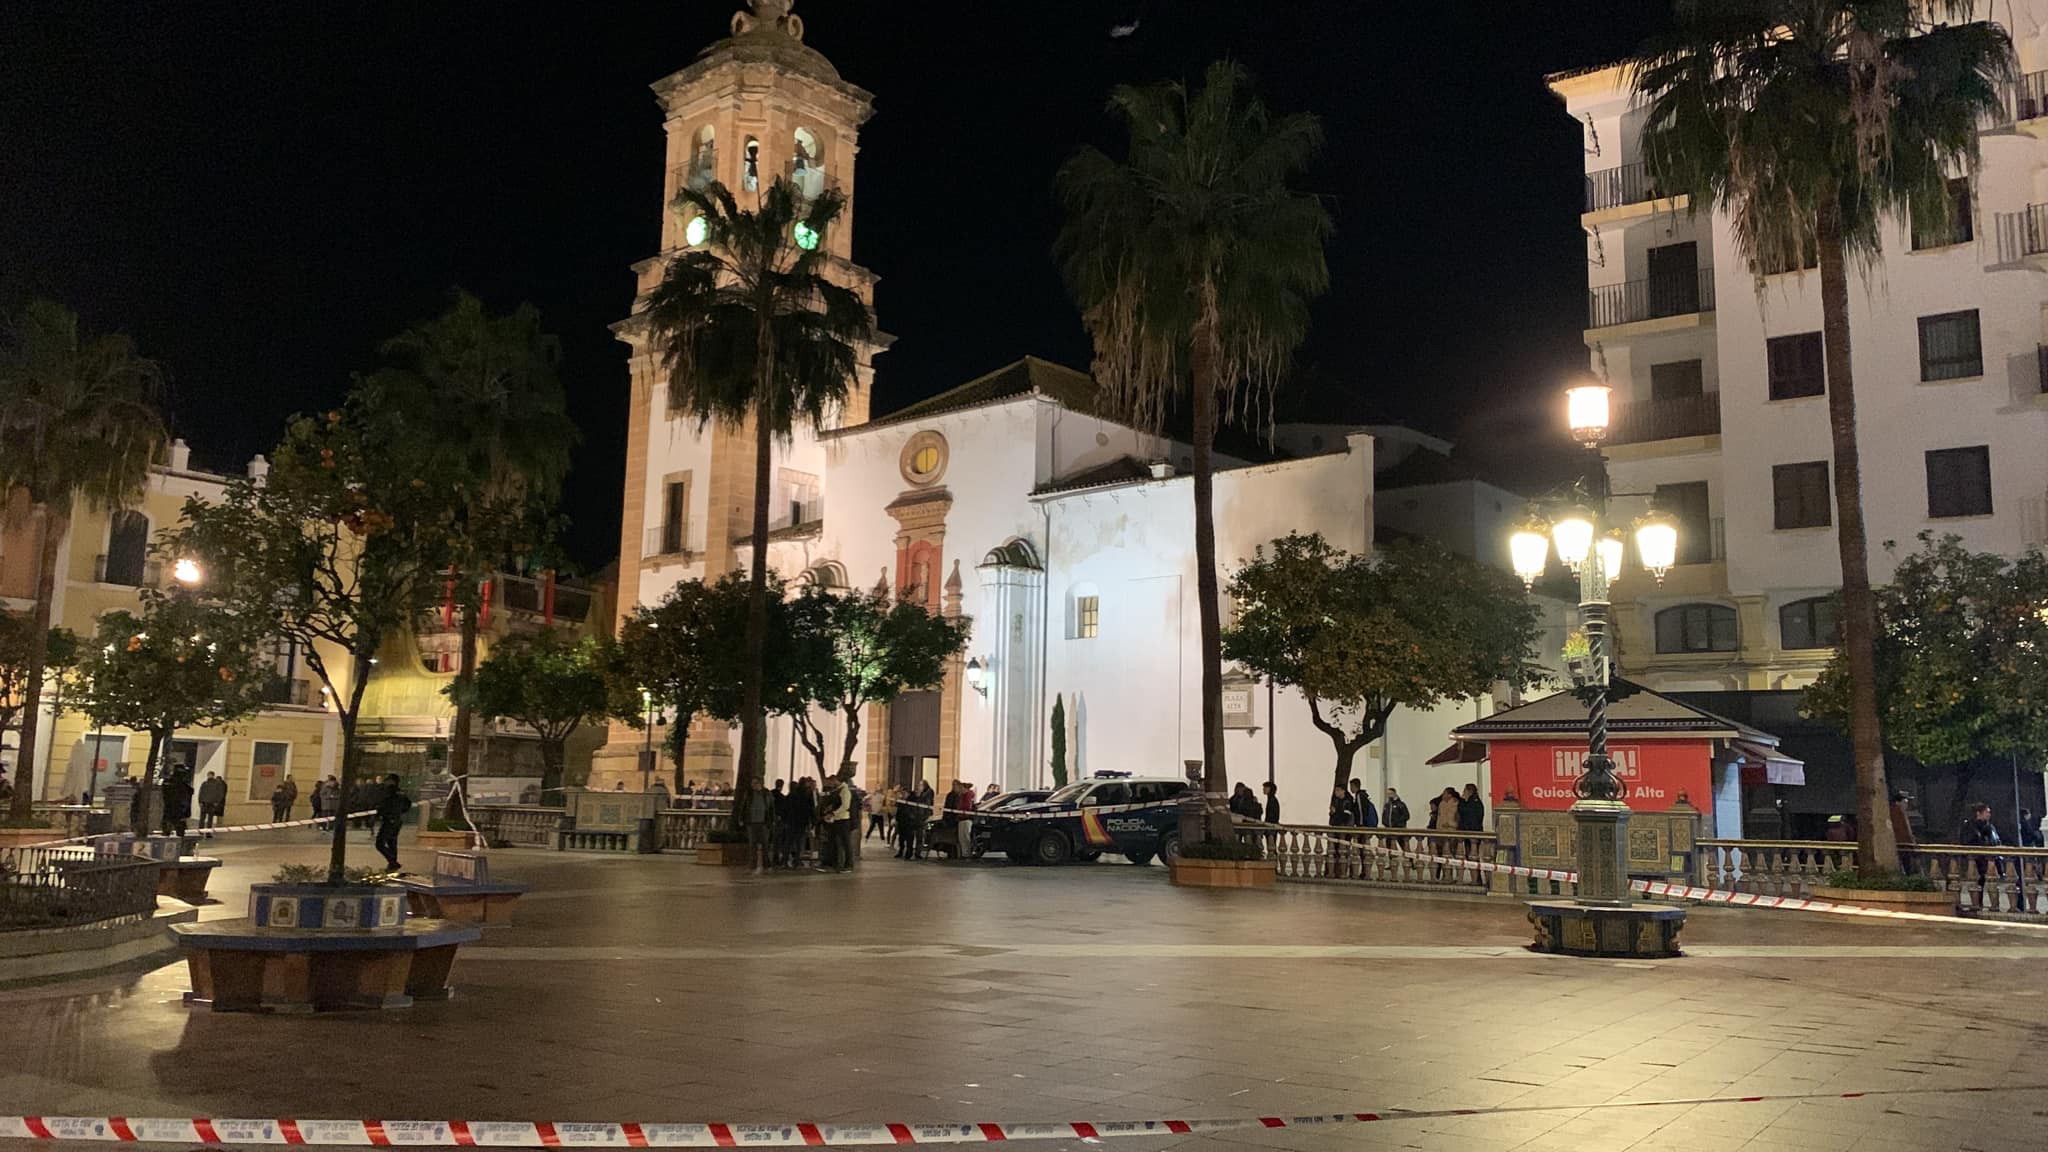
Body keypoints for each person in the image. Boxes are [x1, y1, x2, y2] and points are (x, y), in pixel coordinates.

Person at [1959, 802, 2004, 911]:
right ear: (1978, 813)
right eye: (1986, 812)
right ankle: (1977, 904)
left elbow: (1995, 840)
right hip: (1977, 859)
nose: (1989, 814)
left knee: (1992, 883)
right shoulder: (1970, 826)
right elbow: (1968, 841)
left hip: (1990, 859)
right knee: (1977, 882)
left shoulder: (1989, 826)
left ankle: (1993, 905)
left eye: (1989, 812)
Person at [819, 771, 858, 873]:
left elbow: (845, 806)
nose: (830, 785)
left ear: (835, 780)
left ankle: (848, 865)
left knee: (846, 843)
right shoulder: (838, 790)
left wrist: (833, 813)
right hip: (837, 819)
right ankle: (834, 863)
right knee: (834, 842)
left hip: (843, 820)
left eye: (831, 782)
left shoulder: (845, 791)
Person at [373, 773, 412, 871]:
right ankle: (392, 864)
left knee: (379, 844)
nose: (386, 782)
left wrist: (377, 816)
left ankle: (393, 862)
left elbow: (383, 805)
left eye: (388, 780)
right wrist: (399, 812)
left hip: (389, 820)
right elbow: (408, 805)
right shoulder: (401, 792)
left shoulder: (389, 791)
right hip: (397, 820)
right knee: (392, 843)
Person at [779, 777, 815, 869]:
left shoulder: (792, 794)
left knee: (788, 842)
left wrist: (785, 819)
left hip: (791, 821)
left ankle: (785, 861)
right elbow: (811, 809)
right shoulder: (807, 794)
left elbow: (784, 808)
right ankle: (797, 861)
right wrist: (812, 821)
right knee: (799, 843)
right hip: (801, 822)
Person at [741, 773, 772, 873]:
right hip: (752, 822)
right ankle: (752, 864)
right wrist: (742, 818)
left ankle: (766, 864)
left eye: (755, 783)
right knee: (752, 844)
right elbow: (744, 806)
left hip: (763, 822)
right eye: (752, 783)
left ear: (760, 784)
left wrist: (771, 820)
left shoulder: (766, 793)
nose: (753, 785)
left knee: (765, 844)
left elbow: (771, 807)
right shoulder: (749, 794)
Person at [898, 779, 933, 859]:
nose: (919, 787)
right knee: (909, 838)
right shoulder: (911, 798)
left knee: (920, 838)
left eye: (921, 786)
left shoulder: (925, 798)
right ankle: (908, 853)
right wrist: (911, 816)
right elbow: (907, 807)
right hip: (911, 821)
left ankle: (918, 853)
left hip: (921, 820)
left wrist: (925, 817)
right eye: (918, 786)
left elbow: (927, 809)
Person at [160, 761, 194, 837]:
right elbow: (187, 795)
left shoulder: (168, 782)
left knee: (167, 831)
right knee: (179, 832)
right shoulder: (182, 785)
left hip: (169, 811)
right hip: (179, 812)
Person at [1889, 790, 1918, 871]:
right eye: (1905, 801)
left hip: (1904, 845)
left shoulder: (1901, 812)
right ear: (1898, 802)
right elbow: (1902, 830)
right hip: (1901, 845)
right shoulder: (1895, 812)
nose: (1907, 804)